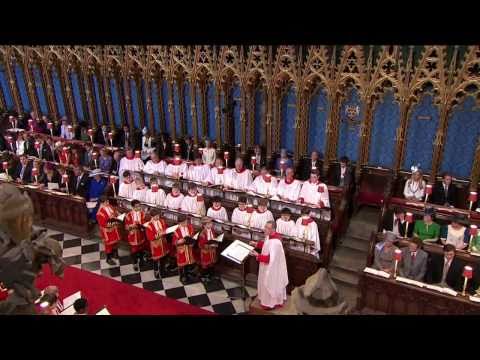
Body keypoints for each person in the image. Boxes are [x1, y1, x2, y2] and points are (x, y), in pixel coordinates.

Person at [249, 221, 288, 310]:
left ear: (273, 229)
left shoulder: (276, 242)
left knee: (270, 284)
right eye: (265, 227)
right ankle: (266, 300)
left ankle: (269, 303)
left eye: (267, 228)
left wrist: (257, 255)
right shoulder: (269, 236)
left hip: (271, 269)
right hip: (266, 267)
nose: (264, 229)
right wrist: (256, 244)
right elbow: (266, 245)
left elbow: (269, 259)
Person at [96, 196, 121, 265]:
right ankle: (108, 258)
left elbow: (115, 212)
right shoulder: (99, 213)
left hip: (114, 228)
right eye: (106, 202)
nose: (108, 203)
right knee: (108, 245)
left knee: (115, 242)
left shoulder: (109, 206)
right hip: (107, 231)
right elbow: (103, 224)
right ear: (102, 203)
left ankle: (115, 253)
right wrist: (114, 221)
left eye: (107, 201)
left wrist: (117, 214)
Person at [124, 200, 148, 272]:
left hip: (141, 234)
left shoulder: (142, 214)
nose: (139, 208)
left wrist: (142, 224)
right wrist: (131, 226)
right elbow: (126, 227)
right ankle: (134, 263)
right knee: (134, 251)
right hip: (133, 235)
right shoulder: (128, 215)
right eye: (137, 206)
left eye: (139, 206)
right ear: (133, 207)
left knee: (141, 249)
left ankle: (141, 261)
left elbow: (144, 222)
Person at [172, 215, 196, 284]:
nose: (186, 223)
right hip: (181, 250)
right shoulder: (176, 231)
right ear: (180, 223)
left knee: (188, 262)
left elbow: (192, 236)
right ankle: (182, 276)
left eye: (186, 222)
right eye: (184, 222)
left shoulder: (190, 227)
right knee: (182, 264)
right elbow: (174, 242)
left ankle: (187, 274)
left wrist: (192, 241)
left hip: (188, 248)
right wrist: (178, 241)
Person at [145, 212, 169, 278]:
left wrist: (164, 231)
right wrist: (158, 235)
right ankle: (156, 271)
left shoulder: (162, 221)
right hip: (156, 244)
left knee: (163, 258)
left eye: (158, 216)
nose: (157, 217)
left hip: (163, 243)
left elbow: (165, 228)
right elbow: (149, 237)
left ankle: (162, 270)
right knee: (156, 259)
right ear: (152, 216)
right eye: (156, 216)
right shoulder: (149, 225)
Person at [197, 217, 220, 283]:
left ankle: (211, 274)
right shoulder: (202, 234)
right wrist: (210, 245)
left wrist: (216, 241)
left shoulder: (212, 230)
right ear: (204, 225)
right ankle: (204, 276)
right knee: (205, 265)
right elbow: (201, 245)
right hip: (206, 252)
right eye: (209, 224)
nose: (211, 225)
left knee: (212, 263)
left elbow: (214, 238)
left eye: (211, 223)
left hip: (212, 251)